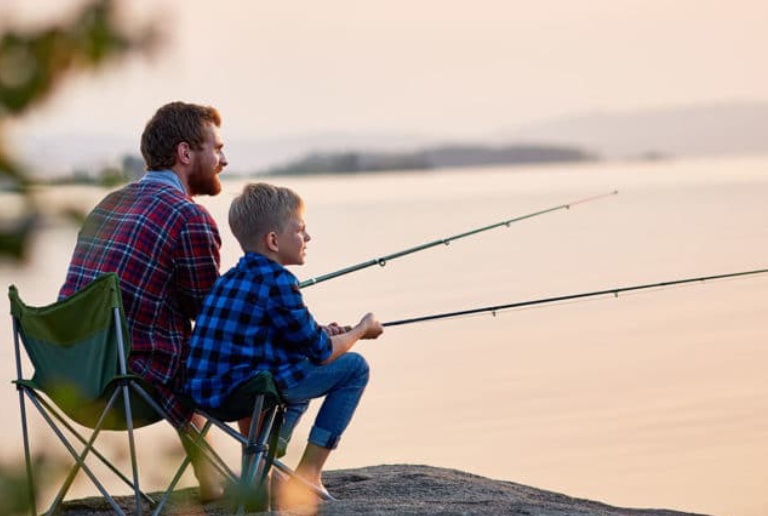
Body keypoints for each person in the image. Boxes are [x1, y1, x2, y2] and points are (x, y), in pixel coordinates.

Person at [59, 101, 227, 500]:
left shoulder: (108, 204)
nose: (224, 159)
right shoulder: (189, 217)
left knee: (173, 347)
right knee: (233, 353)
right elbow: (210, 318)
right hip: (129, 386)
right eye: (217, 148)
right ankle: (263, 481)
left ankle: (212, 480)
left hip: (69, 376)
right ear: (186, 153)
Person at [184, 182, 383, 508]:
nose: (308, 238)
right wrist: (361, 330)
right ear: (274, 240)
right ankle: (308, 473)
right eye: (301, 230)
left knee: (295, 363)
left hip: (206, 397)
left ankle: (263, 469)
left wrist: (324, 332)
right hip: (248, 395)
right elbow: (320, 352)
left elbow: (272, 333)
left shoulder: (229, 279)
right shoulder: (279, 281)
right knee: (354, 368)